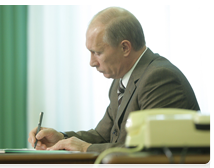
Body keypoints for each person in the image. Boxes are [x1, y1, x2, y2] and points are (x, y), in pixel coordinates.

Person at [28, 7, 200, 153]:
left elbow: (151, 151)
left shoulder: (160, 78)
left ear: (125, 47)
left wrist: (86, 148)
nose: (92, 62)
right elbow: (103, 135)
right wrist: (62, 138)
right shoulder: (120, 81)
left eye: (98, 52)